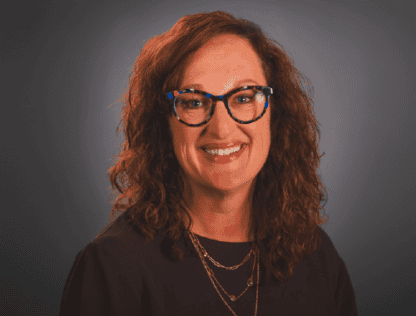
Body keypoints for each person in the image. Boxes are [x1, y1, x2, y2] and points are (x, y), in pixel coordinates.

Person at [59, 10, 357, 316]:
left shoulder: (317, 256)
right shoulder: (111, 266)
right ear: (163, 123)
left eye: (243, 97)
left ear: (275, 115)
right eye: (194, 102)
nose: (221, 129)